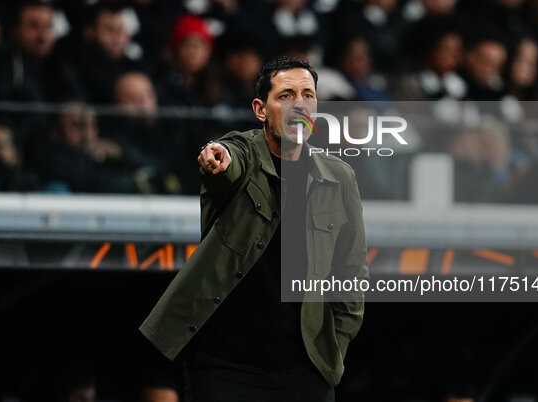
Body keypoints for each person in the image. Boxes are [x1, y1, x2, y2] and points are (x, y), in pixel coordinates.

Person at [140, 56, 368, 401]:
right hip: (226, 367)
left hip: (304, 369)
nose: (300, 106)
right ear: (261, 109)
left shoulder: (339, 176)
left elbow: (351, 270)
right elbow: (226, 160)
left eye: (308, 95)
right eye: (286, 95)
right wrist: (215, 158)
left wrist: (336, 342)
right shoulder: (242, 152)